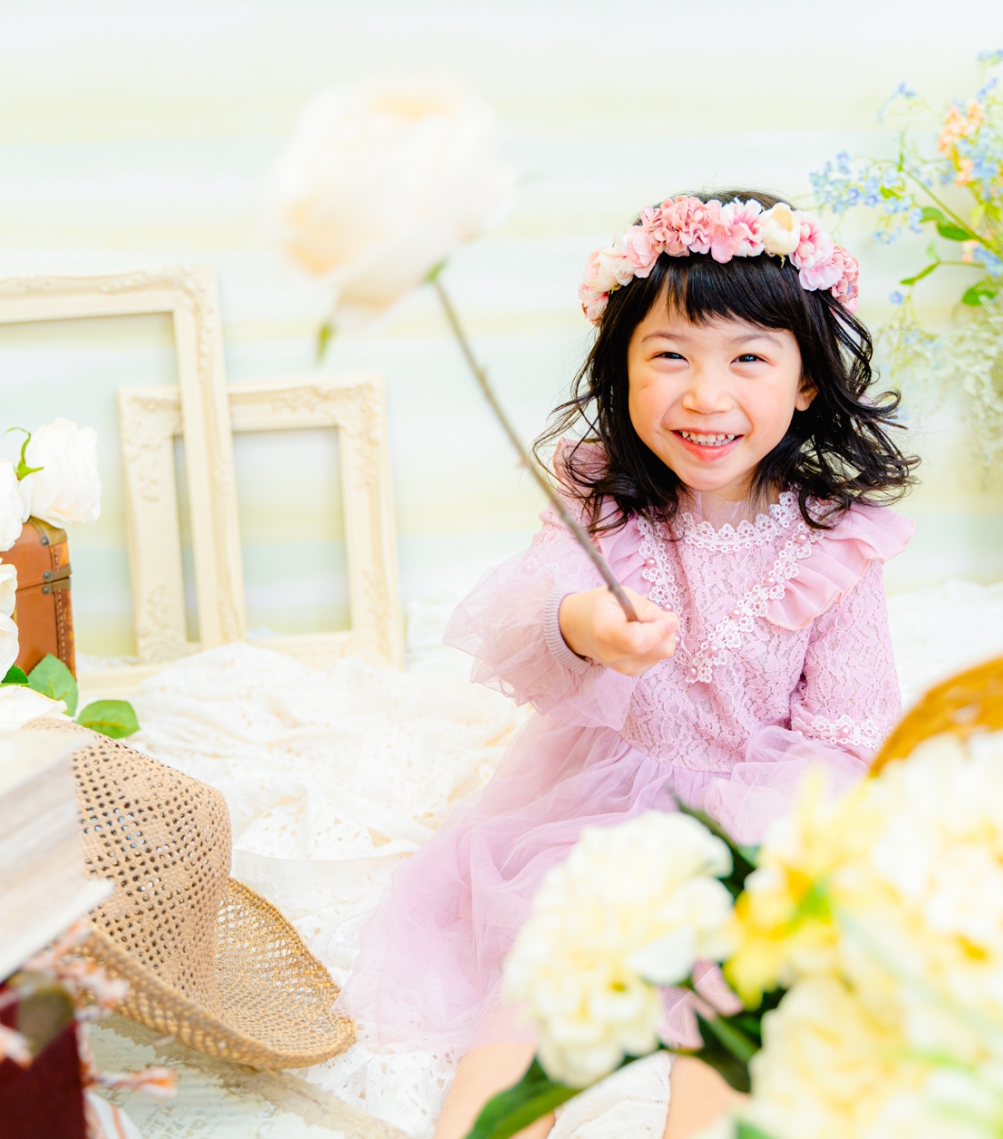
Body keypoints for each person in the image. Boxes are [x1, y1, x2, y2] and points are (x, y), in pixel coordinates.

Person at [342, 191, 917, 1138]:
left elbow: (850, 730)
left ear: (808, 382)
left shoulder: (835, 541)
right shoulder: (603, 502)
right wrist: (586, 626)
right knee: (554, 962)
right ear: (621, 368)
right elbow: (530, 613)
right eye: (670, 356)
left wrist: (764, 845)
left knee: (743, 987)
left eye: (749, 359)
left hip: (771, 816)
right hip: (609, 802)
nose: (706, 395)